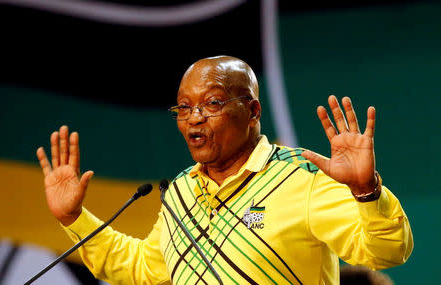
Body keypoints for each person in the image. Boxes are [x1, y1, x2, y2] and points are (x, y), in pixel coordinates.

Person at [36, 56, 413, 284]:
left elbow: (387, 252)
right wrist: (74, 218)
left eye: (212, 103)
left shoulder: (301, 176)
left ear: (252, 112)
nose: (194, 119)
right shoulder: (182, 191)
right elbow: (141, 267)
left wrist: (367, 191)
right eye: (184, 108)